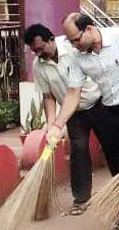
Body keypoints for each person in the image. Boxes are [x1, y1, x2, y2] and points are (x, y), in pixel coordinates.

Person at [47, 13, 119, 230]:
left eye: (75, 39)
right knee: (116, 167)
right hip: (109, 109)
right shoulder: (78, 57)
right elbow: (73, 93)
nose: (73, 45)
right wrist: (57, 125)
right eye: (70, 41)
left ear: (89, 29)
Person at [24, 24, 102, 216]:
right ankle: (81, 199)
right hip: (71, 112)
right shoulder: (38, 66)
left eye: (41, 49)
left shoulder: (74, 48)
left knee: (112, 147)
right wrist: (52, 126)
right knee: (78, 151)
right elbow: (48, 97)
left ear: (51, 39)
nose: (38, 54)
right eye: (35, 51)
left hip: (99, 103)